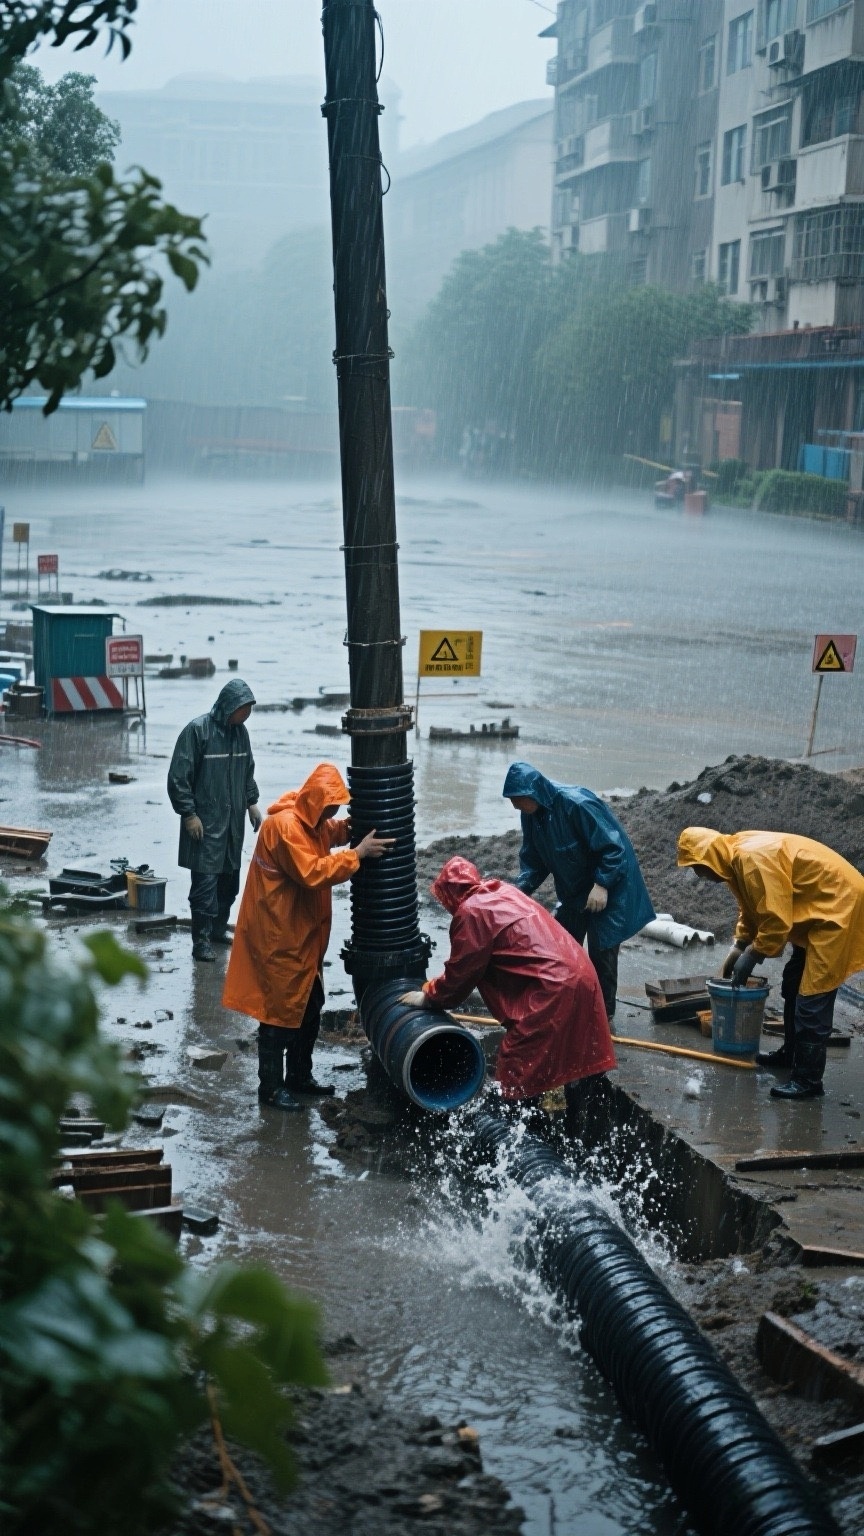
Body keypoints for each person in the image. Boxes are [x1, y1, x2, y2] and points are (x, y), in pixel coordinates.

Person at [222, 763, 393, 1110]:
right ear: (315, 801)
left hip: (299, 937)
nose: (332, 813)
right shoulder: (285, 829)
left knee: (309, 1006)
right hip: (277, 936)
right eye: (329, 807)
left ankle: (299, 1076)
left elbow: (330, 831)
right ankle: (269, 1088)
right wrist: (357, 854)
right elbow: (313, 873)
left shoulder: (309, 822)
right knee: (277, 1015)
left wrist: (352, 828)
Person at [400, 856, 616, 1104]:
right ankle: (579, 1125)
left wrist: (430, 996)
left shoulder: (472, 913)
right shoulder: (503, 891)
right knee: (582, 1059)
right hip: (581, 975)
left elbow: (461, 974)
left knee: (517, 1068)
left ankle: (517, 1131)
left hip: (550, 988)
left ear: (449, 893)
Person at [677, 827, 864, 1101]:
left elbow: (776, 920)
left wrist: (754, 954)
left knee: (812, 998)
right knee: (792, 983)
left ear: (708, 858)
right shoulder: (734, 858)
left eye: (697, 867)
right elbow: (753, 907)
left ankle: (808, 1080)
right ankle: (791, 1054)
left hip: (839, 909)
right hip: (821, 909)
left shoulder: (752, 860)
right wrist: (739, 945)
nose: (699, 875)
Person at [502, 762, 655, 1024]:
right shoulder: (531, 815)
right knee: (559, 943)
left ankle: (602, 1018)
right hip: (575, 889)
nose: (515, 806)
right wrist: (519, 891)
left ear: (532, 793)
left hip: (611, 885)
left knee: (602, 953)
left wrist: (603, 884)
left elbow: (612, 847)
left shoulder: (577, 804)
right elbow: (534, 859)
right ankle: (567, 1002)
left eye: (517, 800)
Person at [167, 678, 262, 963]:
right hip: (205, 826)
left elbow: (247, 770)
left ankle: (219, 930)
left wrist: (252, 803)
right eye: (242, 709)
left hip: (232, 826)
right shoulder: (198, 731)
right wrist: (189, 814)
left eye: (249, 709)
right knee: (205, 886)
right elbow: (178, 778)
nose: (246, 715)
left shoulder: (240, 734)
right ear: (228, 706)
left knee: (229, 883)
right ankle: (202, 941)